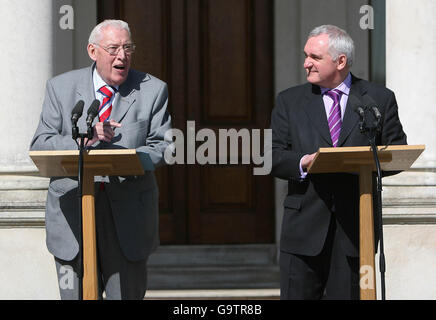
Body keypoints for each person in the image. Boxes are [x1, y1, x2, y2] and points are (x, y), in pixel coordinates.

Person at [30, 19, 171, 300]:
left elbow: (163, 147)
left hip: (128, 217)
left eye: (128, 48)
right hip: (74, 214)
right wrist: (84, 139)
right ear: (93, 51)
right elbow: (41, 143)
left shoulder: (153, 90)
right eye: (113, 48)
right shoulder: (60, 88)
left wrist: (127, 160)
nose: (122, 56)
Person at [270, 25, 407, 299]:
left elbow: (397, 150)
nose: (306, 63)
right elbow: (273, 156)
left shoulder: (378, 98)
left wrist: (365, 162)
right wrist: (304, 162)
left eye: (315, 57)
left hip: (355, 232)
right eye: (306, 55)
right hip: (302, 233)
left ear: (340, 61)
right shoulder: (289, 101)